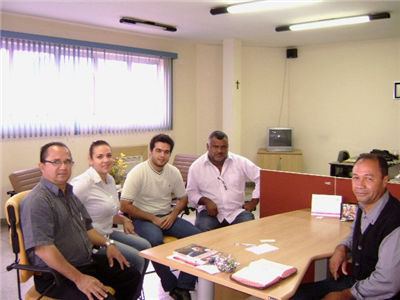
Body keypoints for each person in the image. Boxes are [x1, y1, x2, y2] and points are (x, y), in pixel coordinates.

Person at [20, 142, 140, 300]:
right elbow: (43, 249)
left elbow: (87, 228)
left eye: (67, 162)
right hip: (57, 276)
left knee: (131, 275)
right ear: (42, 166)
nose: (63, 167)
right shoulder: (37, 201)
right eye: (55, 162)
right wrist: (79, 279)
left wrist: (108, 244)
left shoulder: (69, 194)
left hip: (85, 264)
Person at [290, 153, 400, 300]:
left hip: (379, 294)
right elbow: (357, 231)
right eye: (356, 178)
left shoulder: (395, 222)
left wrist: (344, 295)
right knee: (295, 296)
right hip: (358, 282)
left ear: (385, 180)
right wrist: (343, 247)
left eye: (368, 178)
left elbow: (386, 283)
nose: (360, 185)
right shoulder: (365, 205)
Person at [120, 134, 201, 300]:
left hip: (167, 216)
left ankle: (184, 285)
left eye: (166, 152)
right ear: (151, 151)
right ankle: (171, 286)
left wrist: (173, 214)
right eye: (158, 150)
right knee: (155, 242)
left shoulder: (173, 172)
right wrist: (152, 218)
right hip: (143, 218)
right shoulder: (138, 172)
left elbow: (183, 198)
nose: (162, 155)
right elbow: (124, 205)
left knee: (198, 237)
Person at [70, 140, 151, 300]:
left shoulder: (110, 180)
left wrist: (125, 220)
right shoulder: (83, 184)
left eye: (108, 155)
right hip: (92, 240)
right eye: (99, 156)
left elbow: (107, 213)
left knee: (145, 247)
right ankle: (128, 294)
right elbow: (70, 218)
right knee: (136, 257)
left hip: (107, 232)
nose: (105, 160)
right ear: (90, 160)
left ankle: (132, 291)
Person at [186, 130, 261, 232]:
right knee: (201, 230)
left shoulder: (240, 162)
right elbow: (191, 192)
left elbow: (261, 177)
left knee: (249, 227)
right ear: (208, 146)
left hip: (236, 211)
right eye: (215, 147)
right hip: (209, 213)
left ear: (228, 147)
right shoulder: (196, 167)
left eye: (223, 147)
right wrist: (206, 201)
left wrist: (254, 200)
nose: (220, 151)